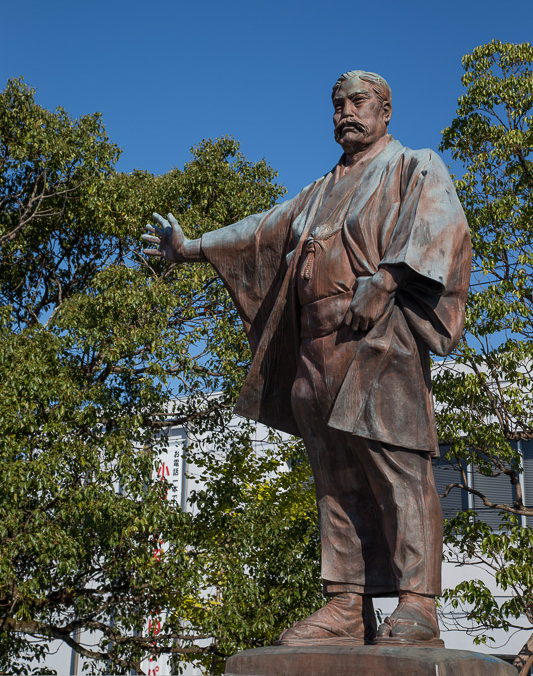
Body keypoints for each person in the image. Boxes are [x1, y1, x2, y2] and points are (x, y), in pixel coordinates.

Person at [143, 70, 471, 647]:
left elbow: (442, 227)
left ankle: (418, 604)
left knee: (398, 469)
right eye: (337, 103)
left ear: (386, 110)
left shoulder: (412, 165)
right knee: (334, 478)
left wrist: (389, 278)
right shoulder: (318, 191)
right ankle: (345, 604)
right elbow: (261, 232)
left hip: (378, 342)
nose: (346, 111)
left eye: (359, 101)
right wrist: (190, 248)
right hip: (316, 352)